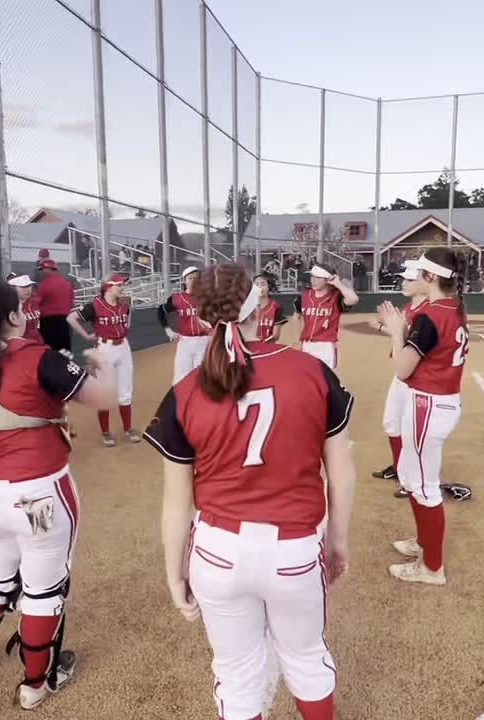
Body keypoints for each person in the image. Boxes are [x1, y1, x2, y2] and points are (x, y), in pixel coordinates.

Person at [144, 263, 356, 720]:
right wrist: (336, 542)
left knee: (237, 675)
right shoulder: (312, 371)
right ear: (259, 305)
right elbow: (341, 473)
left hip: (218, 553)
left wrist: (173, 573)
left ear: (199, 318)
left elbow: (176, 502)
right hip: (294, 550)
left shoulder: (184, 391)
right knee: (307, 661)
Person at [0, 279, 118, 709]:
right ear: (14, 316)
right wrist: (102, 363)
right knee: (42, 588)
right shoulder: (35, 358)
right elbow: (104, 398)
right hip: (37, 496)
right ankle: (36, 683)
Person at [375, 247, 469, 585]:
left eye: (419, 273)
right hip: (437, 402)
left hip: (428, 404)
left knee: (423, 487)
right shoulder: (451, 306)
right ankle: (425, 544)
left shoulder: (432, 315)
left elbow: (402, 370)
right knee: (416, 481)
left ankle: (432, 567)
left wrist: (398, 330)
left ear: (429, 277)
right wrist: (401, 328)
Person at [369, 260, 427, 488]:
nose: (404, 283)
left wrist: (384, 328)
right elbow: (400, 338)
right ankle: (398, 467)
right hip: (402, 375)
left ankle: (412, 479)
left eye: (411, 279)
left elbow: (412, 342)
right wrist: (386, 327)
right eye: (404, 278)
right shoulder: (408, 309)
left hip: (418, 379)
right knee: (391, 423)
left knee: (412, 431)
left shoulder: (427, 312)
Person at [67, 274, 138, 447]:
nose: (122, 288)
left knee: (126, 390)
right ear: (108, 287)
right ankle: (106, 432)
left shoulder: (124, 303)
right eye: (118, 285)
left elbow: (127, 322)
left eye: (122, 284)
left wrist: (125, 325)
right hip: (105, 349)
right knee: (105, 392)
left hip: (123, 347)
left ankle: (128, 429)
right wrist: (85, 335)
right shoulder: (95, 306)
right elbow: (70, 318)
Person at [294, 263, 358, 369]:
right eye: (312, 276)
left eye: (318, 277)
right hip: (306, 344)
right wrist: (298, 339)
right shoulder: (305, 296)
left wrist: (338, 283)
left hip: (326, 346)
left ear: (327, 279)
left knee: (325, 380)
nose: (313, 280)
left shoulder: (336, 297)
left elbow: (354, 299)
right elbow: (296, 316)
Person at [159, 266, 212, 384]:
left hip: (204, 340)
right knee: (181, 378)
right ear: (184, 280)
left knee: (202, 378)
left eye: (196, 278)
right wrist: (168, 330)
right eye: (190, 278)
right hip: (185, 342)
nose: (193, 280)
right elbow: (161, 311)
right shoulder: (176, 298)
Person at [35, 259, 75, 355]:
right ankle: (67, 368)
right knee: (65, 350)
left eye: (42, 269)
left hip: (49, 322)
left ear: (48, 269)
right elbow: (71, 303)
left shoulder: (44, 285)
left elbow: (36, 303)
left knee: (50, 350)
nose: (41, 272)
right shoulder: (66, 284)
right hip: (65, 320)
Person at [7, 273, 44, 343]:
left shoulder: (34, 303)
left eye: (29, 285)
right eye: (23, 286)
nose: (28, 289)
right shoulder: (8, 306)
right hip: (20, 347)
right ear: (12, 288)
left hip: (37, 344)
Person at [253, 272, 288, 343]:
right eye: (256, 284)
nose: (259, 287)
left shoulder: (276, 307)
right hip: (249, 348)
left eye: (263, 284)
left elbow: (275, 336)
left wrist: (262, 343)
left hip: (268, 347)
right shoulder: (246, 307)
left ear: (269, 287)